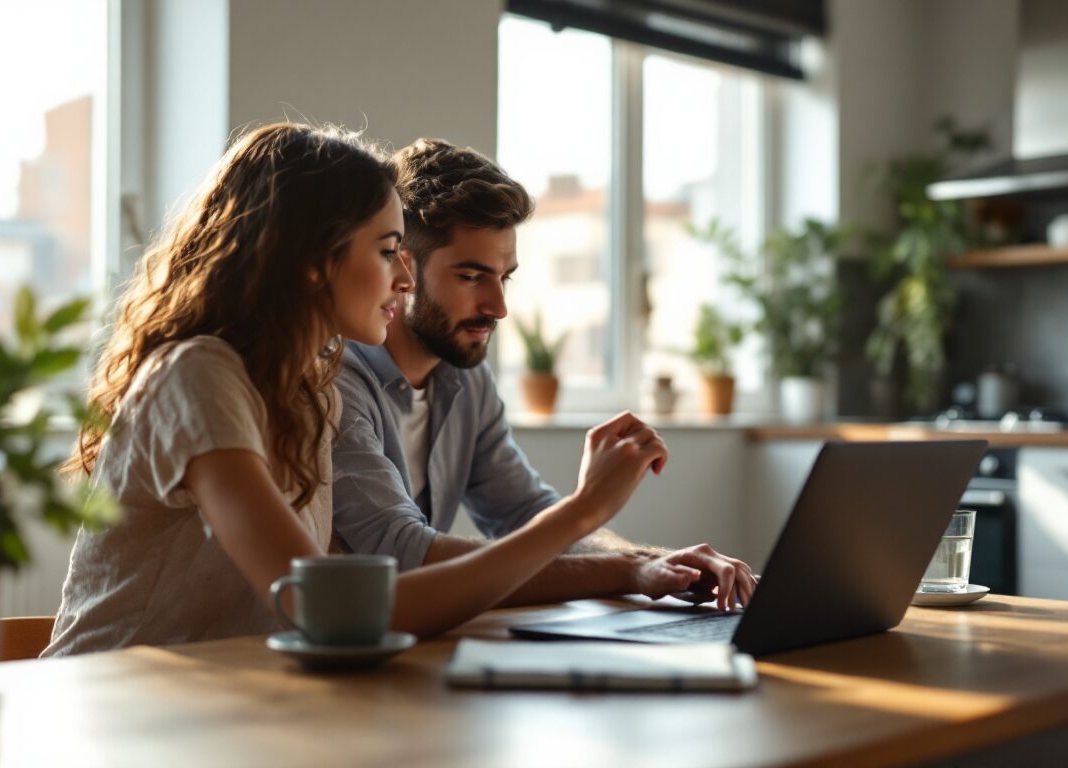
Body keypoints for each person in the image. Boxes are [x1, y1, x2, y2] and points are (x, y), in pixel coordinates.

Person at [44, 124, 668, 656]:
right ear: (315, 259)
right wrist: (584, 511)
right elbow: (327, 608)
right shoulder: (199, 375)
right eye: (390, 250)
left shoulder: (308, 389)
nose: (405, 277)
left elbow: (362, 599)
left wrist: (631, 563)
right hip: (112, 713)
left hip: (226, 710)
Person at [332, 139, 756, 612]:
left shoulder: (465, 380)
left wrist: (655, 563)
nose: (498, 308)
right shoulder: (336, 381)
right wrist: (624, 564)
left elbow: (525, 515)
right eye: (471, 277)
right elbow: (406, 557)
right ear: (403, 268)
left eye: (504, 277)